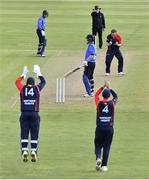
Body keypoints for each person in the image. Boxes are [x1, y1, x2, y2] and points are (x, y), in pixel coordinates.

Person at [15, 65, 46, 162]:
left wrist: (23, 75)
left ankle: (24, 151)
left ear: (27, 83)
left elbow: (17, 82)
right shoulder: (37, 88)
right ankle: (33, 151)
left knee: (24, 132)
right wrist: (39, 73)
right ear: (33, 83)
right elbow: (44, 82)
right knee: (34, 133)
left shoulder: (22, 89)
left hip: (24, 114)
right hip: (34, 114)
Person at [94, 80, 118, 172]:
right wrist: (109, 87)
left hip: (100, 128)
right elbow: (116, 96)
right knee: (107, 146)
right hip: (109, 128)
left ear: (103, 96)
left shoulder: (99, 103)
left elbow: (96, 95)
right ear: (108, 96)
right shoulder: (112, 103)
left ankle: (98, 158)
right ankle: (104, 166)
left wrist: (102, 87)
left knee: (97, 144)